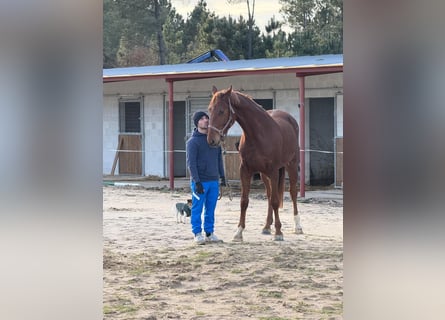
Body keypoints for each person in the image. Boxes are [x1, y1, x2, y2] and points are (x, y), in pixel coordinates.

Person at [186, 111, 226, 245]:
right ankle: (197, 233)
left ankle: (209, 233)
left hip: (213, 181)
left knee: (210, 209)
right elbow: (191, 163)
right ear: (197, 122)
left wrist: (222, 176)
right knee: (197, 208)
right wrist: (197, 182)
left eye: (207, 118)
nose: (205, 120)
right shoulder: (193, 142)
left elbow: (219, 159)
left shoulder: (214, 140)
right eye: (202, 119)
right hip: (200, 182)